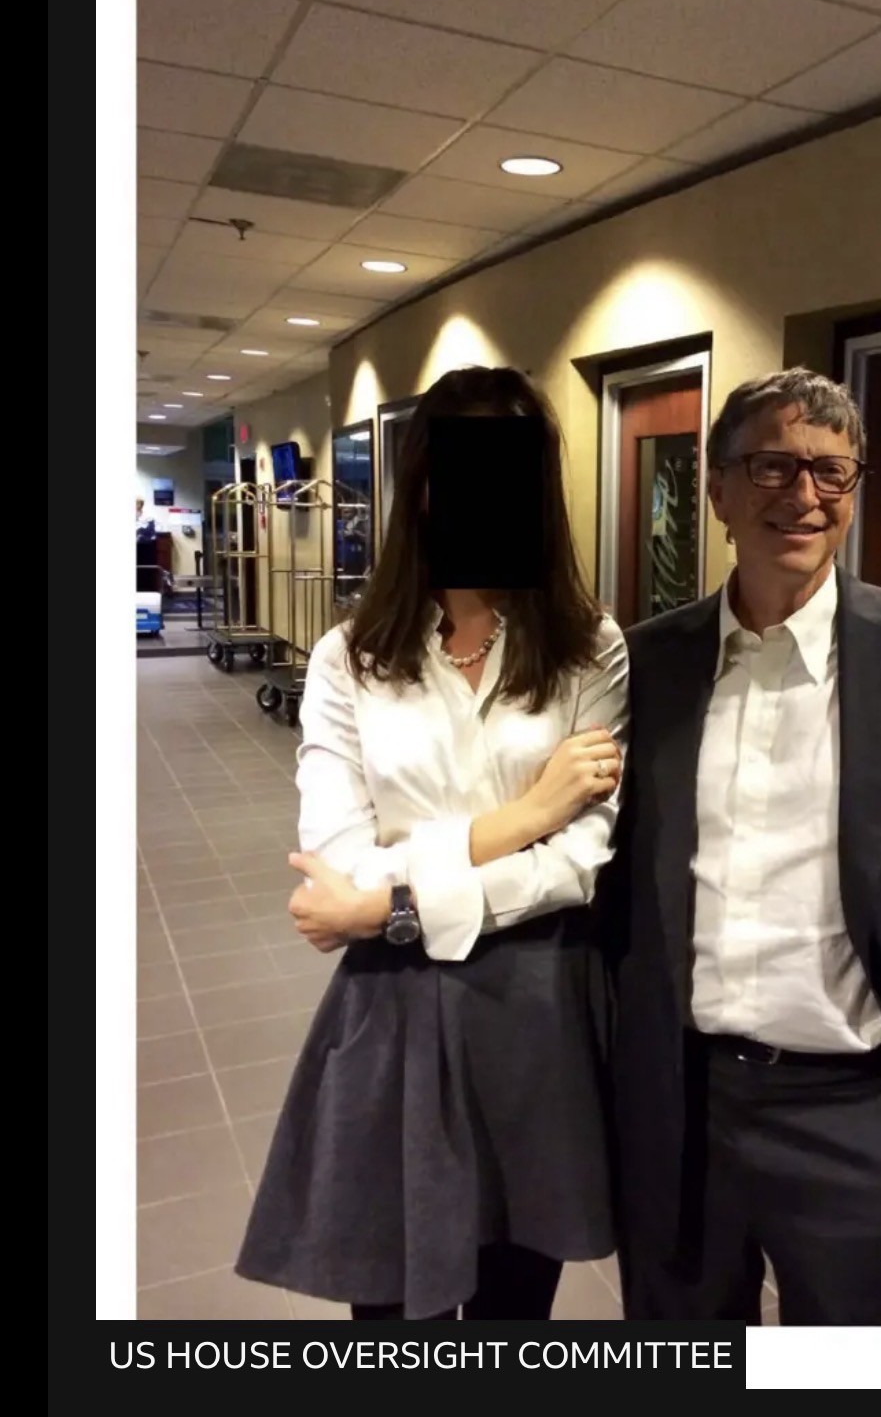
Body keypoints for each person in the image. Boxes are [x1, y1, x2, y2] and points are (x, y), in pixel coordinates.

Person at [599, 367, 881, 1326]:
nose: (805, 495)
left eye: (832, 471)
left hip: (863, 1114)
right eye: (773, 466)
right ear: (717, 490)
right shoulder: (649, 661)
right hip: (681, 1105)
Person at [235, 366, 628, 1321]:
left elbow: (580, 862)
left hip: (535, 1003)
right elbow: (338, 857)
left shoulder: (591, 647)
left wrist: (386, 903)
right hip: (393, 1003)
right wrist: (522, 818)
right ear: (420, 490)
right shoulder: (349, 656)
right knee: (388, 1308)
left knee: (513, 1309)